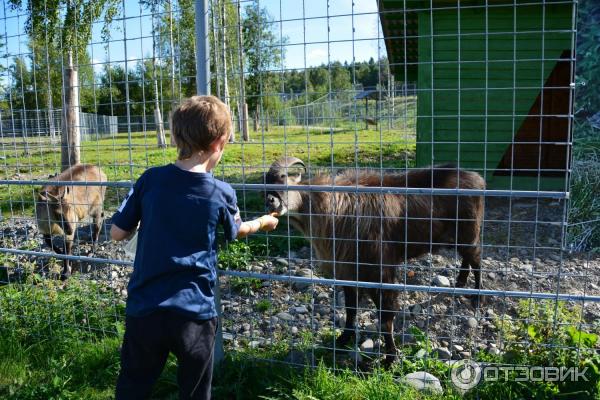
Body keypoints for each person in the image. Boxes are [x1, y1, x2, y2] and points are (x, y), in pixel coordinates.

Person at [111, 95, 278, 400]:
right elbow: (237, 230)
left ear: (175, 136)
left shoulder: (149, 180)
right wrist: (264, 222)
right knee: (196, 391)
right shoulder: (220, 192)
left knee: (133, 385)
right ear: (219, 143)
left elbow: (117, 233)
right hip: (195, 313)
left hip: (145, 308)